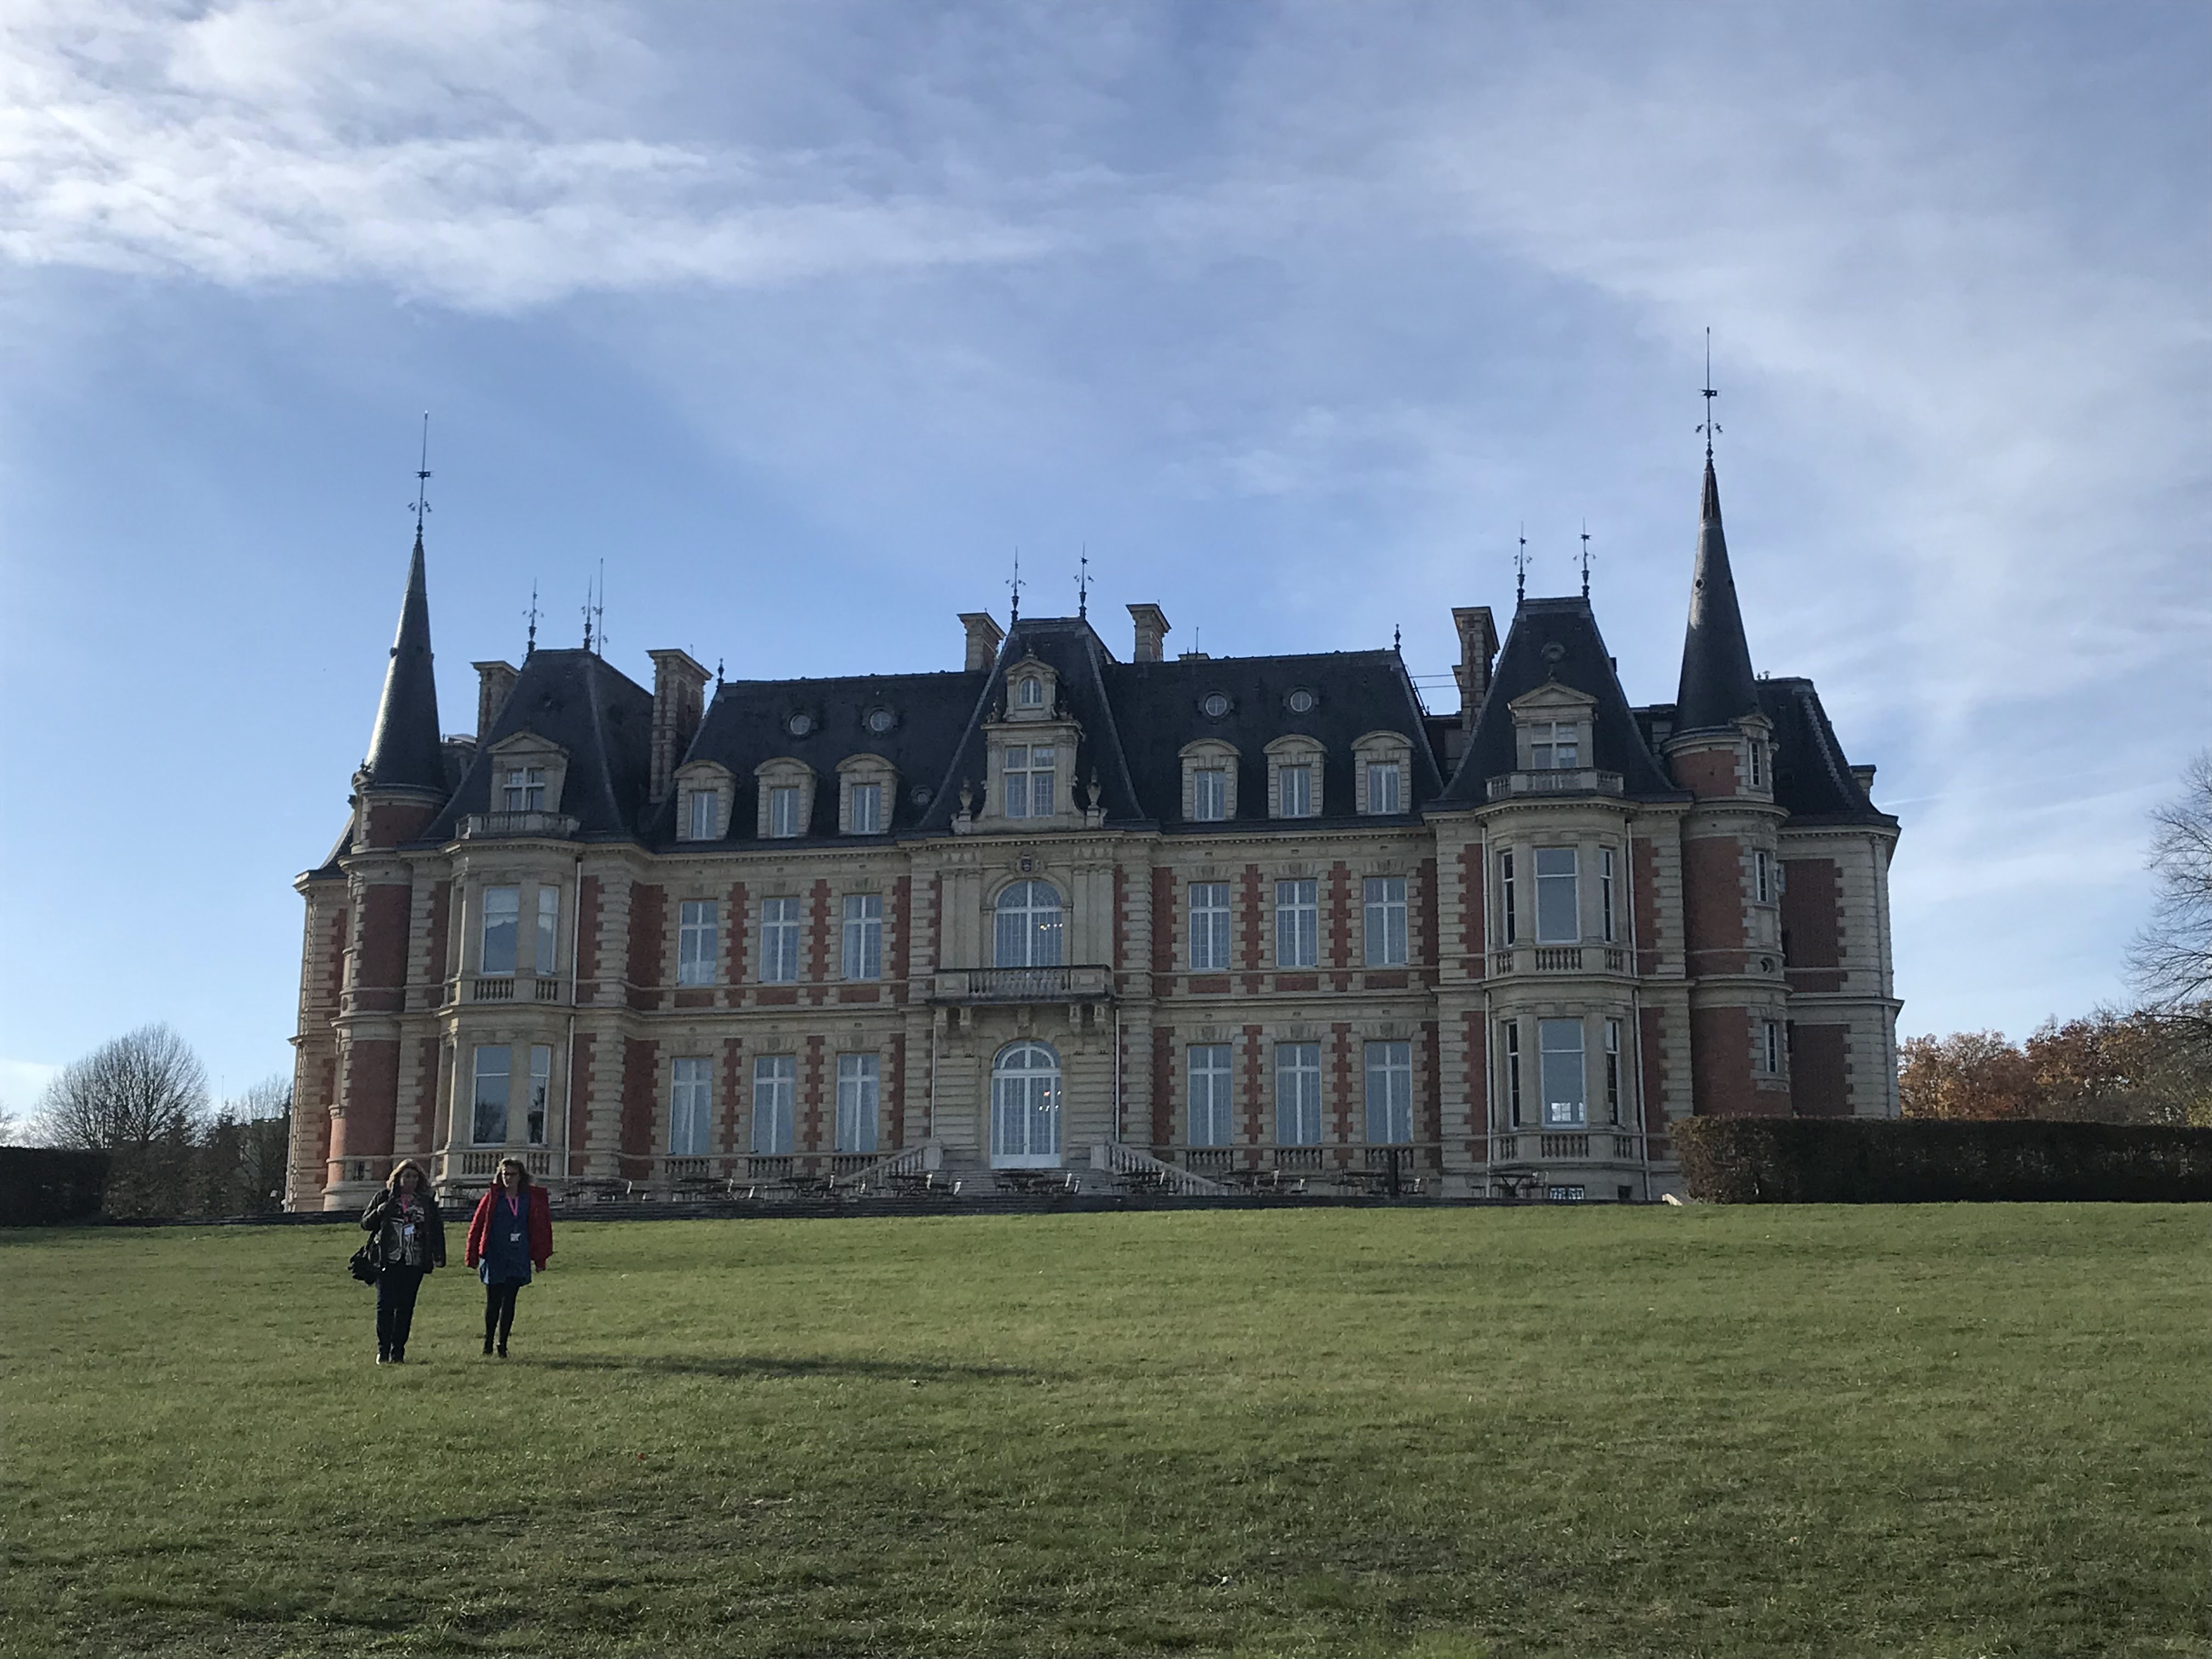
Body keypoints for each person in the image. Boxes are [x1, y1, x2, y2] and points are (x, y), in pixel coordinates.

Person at [465, 1157, 552, 1357]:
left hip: (518, 1255)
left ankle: (502, 1344)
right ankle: (488, 1342)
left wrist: (540, 1260)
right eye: (505, 1174)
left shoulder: (529, 1199)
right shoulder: (492, 1198)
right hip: (495, 1255)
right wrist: (472, 1255)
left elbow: (539, 1230)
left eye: (512, 1174)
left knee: (510, 1300)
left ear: (521, 1176)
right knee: (493, 1301)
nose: (508, 1178)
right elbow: (477, 1226)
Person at [360, 1160, 445, 1364]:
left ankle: (398, 1351)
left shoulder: (425, 1202)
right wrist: (380, 1211)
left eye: (415, 1177)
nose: (411, 1181)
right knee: (385, 1306)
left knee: (405, 1308)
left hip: (414, 1261)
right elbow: (365, 1223)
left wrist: (438, 1255)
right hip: (387, 1261)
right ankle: (383, 1350)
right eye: (407, 1176)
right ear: (398, 1179)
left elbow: (436, 1229)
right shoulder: (384, 1197)